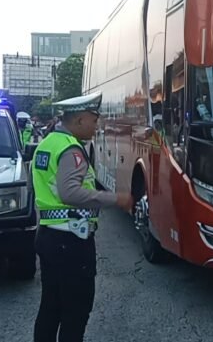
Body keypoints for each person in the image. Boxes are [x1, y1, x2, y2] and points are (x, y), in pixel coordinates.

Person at [32, 92, 135, 342]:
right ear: (78, 120)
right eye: (93, 120)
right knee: (75, 313)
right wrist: (115, 199)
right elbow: (70, 193)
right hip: (70, 243)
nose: (96, 125)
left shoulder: (48, 143)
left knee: (51, 308)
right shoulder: (71, 150)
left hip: (49, 235)